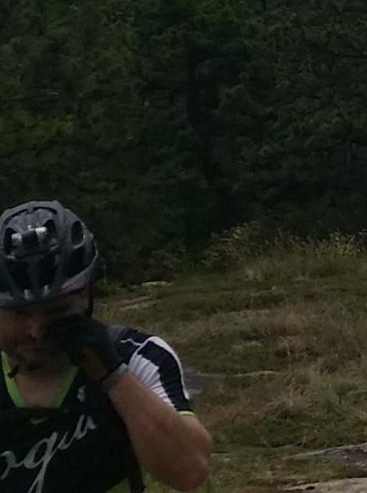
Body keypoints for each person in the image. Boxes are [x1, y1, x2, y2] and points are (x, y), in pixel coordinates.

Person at [0, 200, 212, 493]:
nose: (36, 332)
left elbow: (190, 471)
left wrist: (114, 376)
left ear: (86, 296)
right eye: (19, 314)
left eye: (55, 312)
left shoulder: (137, 355)